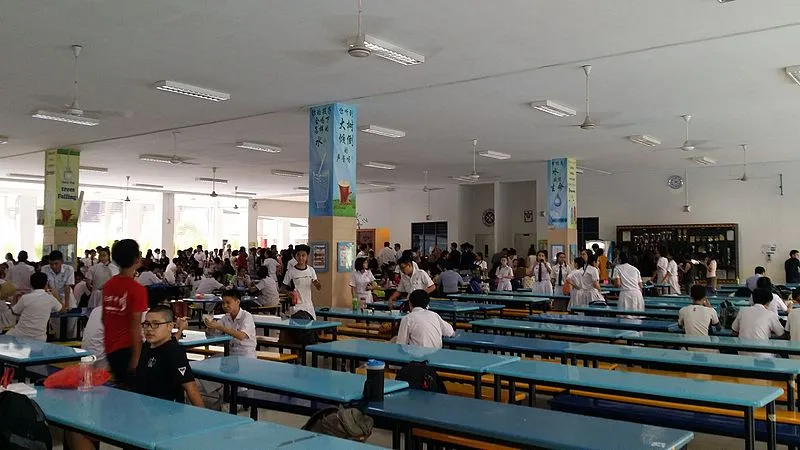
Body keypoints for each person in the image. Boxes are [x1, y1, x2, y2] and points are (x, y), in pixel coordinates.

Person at [102, 239, 149, 386]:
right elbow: (135, 326)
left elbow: (104, 318)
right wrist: (136, 357)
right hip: (128, 349)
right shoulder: (137, 290)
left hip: (110, 348)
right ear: (136, 259)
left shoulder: (108, 285)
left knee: (121, 388)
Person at [7, 273, 64, 341]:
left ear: (31, 284)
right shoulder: (50, 299)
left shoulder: (25, 298)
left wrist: (15, 297)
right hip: (39, 338)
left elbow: (14, 312)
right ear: (46, 284)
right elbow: (62, 309)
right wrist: (56, 295)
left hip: (20, 335)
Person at [732, 288, 785, 357]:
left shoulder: (743, 310)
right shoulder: (771, 314)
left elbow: (734, 331)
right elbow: (781, 334)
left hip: (742, 352)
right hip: (763, 354)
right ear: (769, 301)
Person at [205, 290, 257, 358]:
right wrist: (210, 326)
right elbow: (211, 335)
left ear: (237, 302)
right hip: (229, 353)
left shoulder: (246, 316)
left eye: (228, 303)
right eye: (223, 303)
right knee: (209, 362)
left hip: (246, 354)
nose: (225, 306)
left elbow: (241, 336)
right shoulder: (225, 317)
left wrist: (220, 327)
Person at [283, 244, 321, 318]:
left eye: (303, 255)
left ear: (307, 257)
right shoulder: (291, 271)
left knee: (312, 327)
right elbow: (282, 288)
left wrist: (317, 284)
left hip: (309, 305)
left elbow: (319, 287)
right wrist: (289, 293)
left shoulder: (311, 270)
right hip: (297, 306)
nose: (300, 258)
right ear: (295, 256)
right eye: (298, 255)